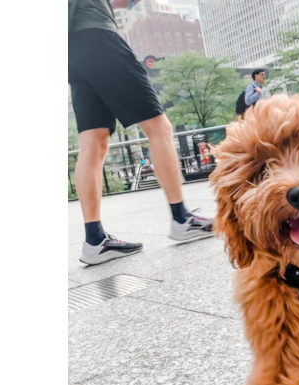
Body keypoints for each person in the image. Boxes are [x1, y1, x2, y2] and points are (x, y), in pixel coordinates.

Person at [68, 0, 213, 266]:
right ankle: (182, 219)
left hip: (72, 49)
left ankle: (95, 240)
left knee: (93, 141)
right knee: (159, 127)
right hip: (98, 34)